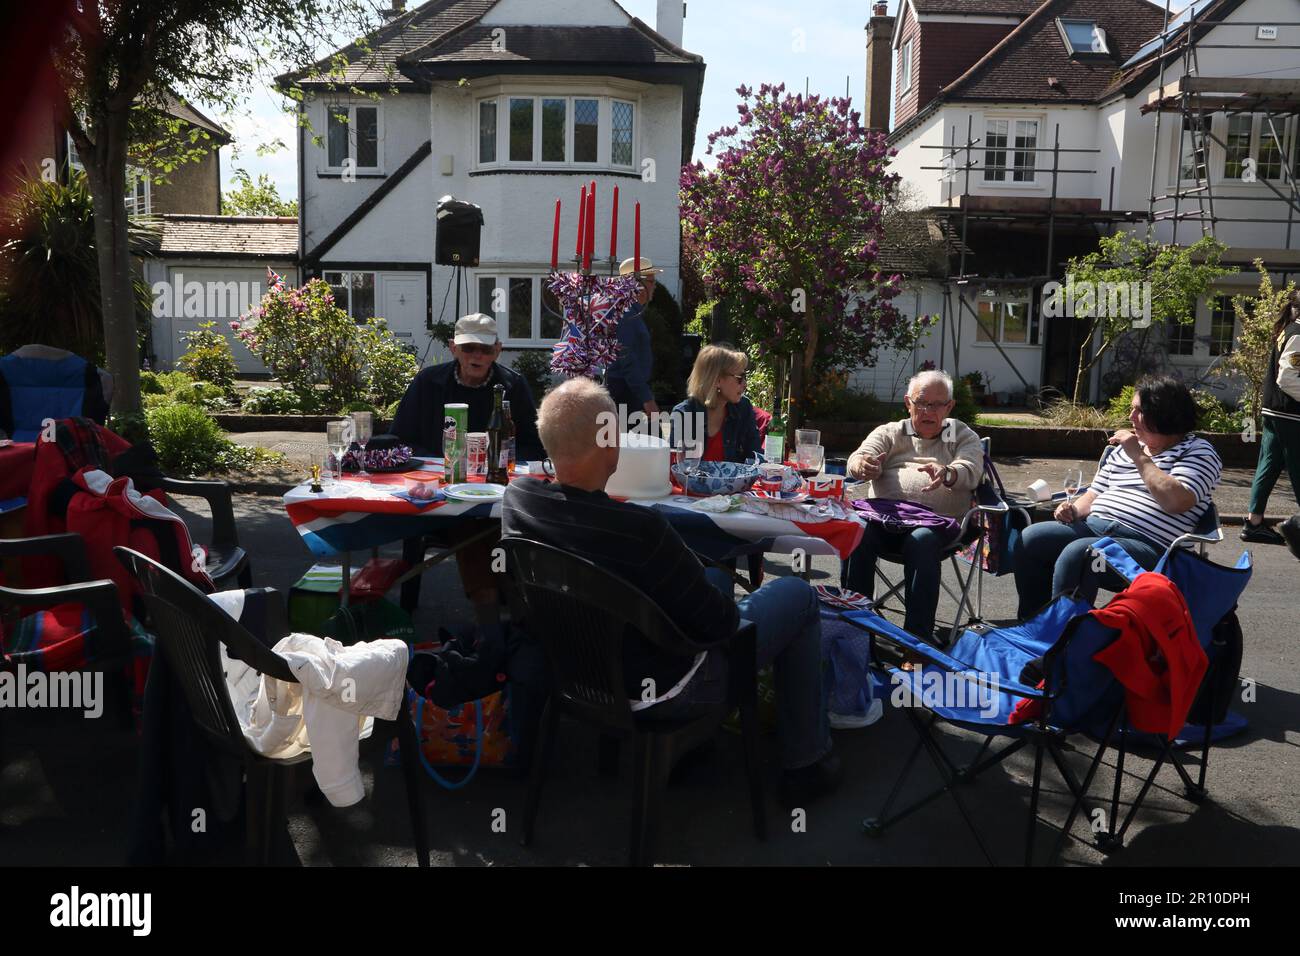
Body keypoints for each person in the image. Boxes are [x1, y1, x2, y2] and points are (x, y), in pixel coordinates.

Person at [501, 378, 840, 806]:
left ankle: (692, 749)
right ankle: (806, 762)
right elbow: (723, 623)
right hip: (663, 691)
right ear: (609, 443)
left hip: (572, 670)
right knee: (798, 594)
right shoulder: (642, 530)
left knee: (713, 578)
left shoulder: (518, 499)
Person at [1014, 375, 1222, 619]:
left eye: (1139, 411)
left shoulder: (1197, 451)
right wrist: (1073, 510)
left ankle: (1065, 643)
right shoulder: (1123, 451)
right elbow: (1093, 494)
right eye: (1131, 410)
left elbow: (1176, 501)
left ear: (1165, 415)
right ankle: (1033, 626)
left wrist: (1138, 455)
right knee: (1031, 538)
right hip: (1095, 527)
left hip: (1151, 547)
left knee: (1082, 554)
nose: (1131, 418)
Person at [391, 313, 543, 623]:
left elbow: (534, 445)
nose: (477, 356)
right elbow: (401, 440)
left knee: (490, 520)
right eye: (469, 347)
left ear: (497, 351)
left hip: (497, 489)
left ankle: (500, 616)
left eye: (485, 350)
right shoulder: (428, 382)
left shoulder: (512, 386)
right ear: (453, 348)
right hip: (442, 493)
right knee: (468, 517)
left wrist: (499, 458)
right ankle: (498, 615)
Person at [842, 370, 983, 643]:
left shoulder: (961, 434)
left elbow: (972, 469)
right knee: (856, 530)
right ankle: (855, 632)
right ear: (908, 403)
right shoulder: (891, 432)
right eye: (921, 403)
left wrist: (949, 473)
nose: (928, 411)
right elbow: (859, 456)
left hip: (937, 525)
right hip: (884, 520)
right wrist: (863, 465)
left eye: (937, 404)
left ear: (950, 406)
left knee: (922, 540)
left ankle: (915, 643)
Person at [1241, 290, 1300, 543]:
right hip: (1290, 413)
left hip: (1275, 410)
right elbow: (1287, 378)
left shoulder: (1288, 330)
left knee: (1268, 466)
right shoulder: (1298, 335)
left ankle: (1254, 523)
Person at [671, 343, 762, 463]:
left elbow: (755, 457)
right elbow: (678, 467)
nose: (745, 384)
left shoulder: (743, 408)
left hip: (737, 482)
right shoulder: (685, 414)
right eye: (740, 377)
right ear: (717, 380)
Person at [604, 257, 661, 418]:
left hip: (628, 389)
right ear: (638, 285)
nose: (654, 286)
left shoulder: (632, 312)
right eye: (651, 281)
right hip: (623, 392)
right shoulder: (627, 314)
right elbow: (626, 358)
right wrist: (647, 398)